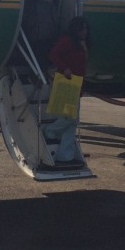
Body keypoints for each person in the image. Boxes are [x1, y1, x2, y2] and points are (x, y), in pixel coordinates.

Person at [42, 16, 89, 167]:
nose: (85, 32)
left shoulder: (81, 43)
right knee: (71, 118)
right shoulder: (67, 41)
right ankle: (50, 130)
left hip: (76, 84)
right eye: (83, 29)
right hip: (67, 83)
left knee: (72, 122)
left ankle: (65, 154)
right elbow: (53, 54)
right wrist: (64, 68)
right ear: (76, 29)